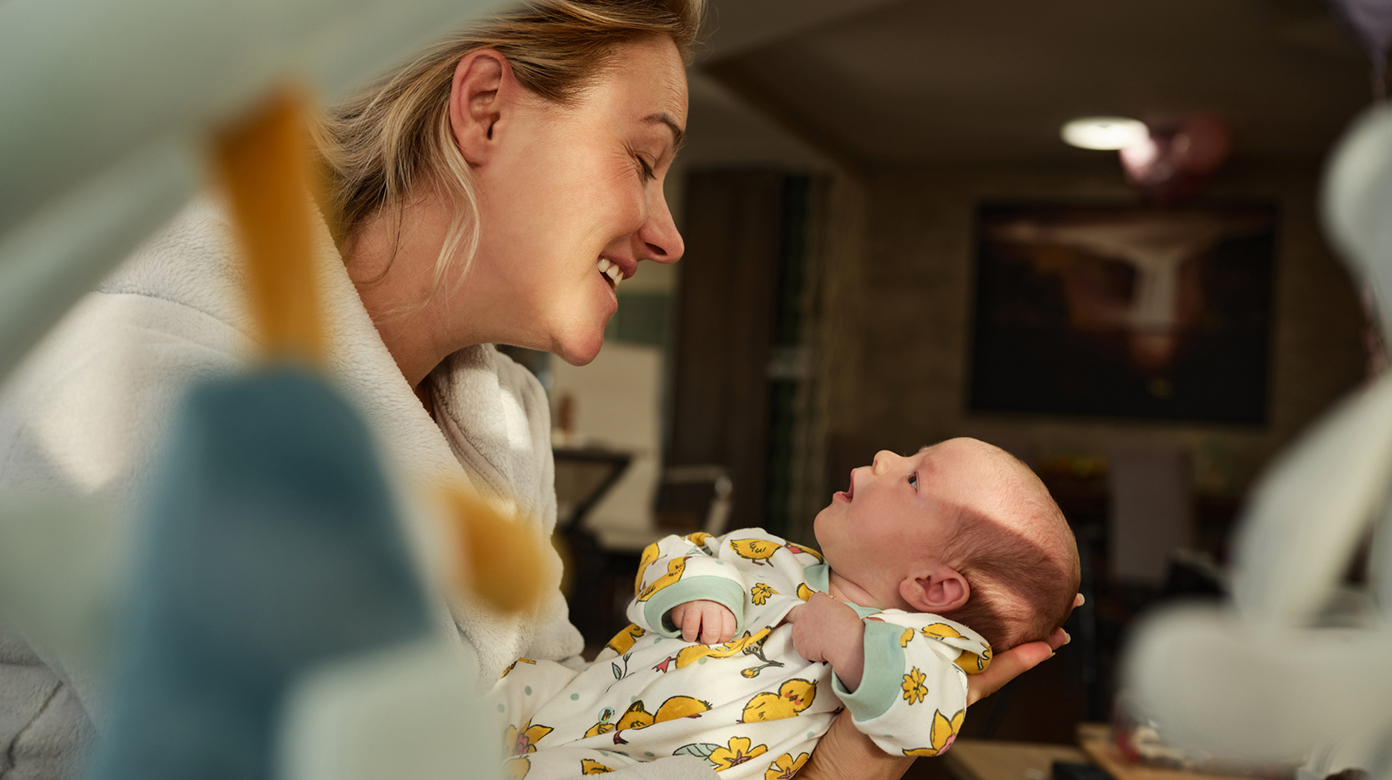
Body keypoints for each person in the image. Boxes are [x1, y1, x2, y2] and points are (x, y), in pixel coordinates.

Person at [0, 1, 1068, 777]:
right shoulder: (159, 358)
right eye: (643, 160)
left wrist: (843, 761)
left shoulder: (497, 419)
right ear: (484, 110)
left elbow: (544, 707)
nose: (668, 230)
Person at [490, 439, 1080, 779]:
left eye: (914, 479)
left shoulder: (919, 648)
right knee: (500, 687)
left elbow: (929, 721)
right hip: (580, 699)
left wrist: (851, 646)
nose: (883, 456)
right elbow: (683, 551)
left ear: (932, 587)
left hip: (673, 769)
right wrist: (701, 589)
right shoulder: (771, 556)